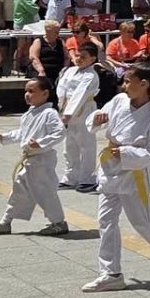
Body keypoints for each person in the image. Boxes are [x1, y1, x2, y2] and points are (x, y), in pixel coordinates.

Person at [81, 64, 150, 292]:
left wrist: (127, 153)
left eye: (129, 81)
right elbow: (98, 117)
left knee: (143, 223)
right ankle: (111, 273)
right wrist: (97, 119)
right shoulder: (120, 100)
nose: (124, 85)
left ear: (144, 84)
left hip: (133, 175)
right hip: (110, 169)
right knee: (106, 221)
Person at [0, 76, 68, 238]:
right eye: (26, 91)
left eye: (31, 91)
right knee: (18, 191)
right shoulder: (30, 114)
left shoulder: (49, 113)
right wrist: (3, 136)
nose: (27, 94)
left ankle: (59, 222)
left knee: (45, 192)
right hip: (31, 161)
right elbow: (22, 134)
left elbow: (60, 132)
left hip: (42, 161)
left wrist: (41, 143)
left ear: (45, 94)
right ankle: (5, 221)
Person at [56, 40, 105, 194]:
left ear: (92, 58)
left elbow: (80, 94)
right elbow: (61, 87)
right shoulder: (69, 71)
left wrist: (69, 113)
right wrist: (61, 107)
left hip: (84, 110)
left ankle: (87, 178)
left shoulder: (91, 75)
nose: (79, 59)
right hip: (66, 107)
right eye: (77, 55)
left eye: (83, 56)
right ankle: (70, 177)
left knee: (86, 144)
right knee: (70, 145)